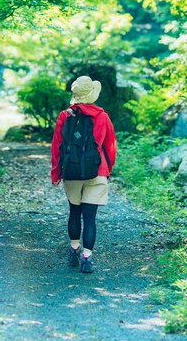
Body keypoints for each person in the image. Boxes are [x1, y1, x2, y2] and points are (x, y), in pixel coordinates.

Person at [51, 76, 117, 273]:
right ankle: (87, 257)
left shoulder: (65, 116)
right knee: (90, 218)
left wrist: (56, 173)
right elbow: (110, 146)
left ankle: (73, 249)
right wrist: (108, 169)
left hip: (71, 171)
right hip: (97, 171)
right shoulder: (102, 116)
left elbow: (57, 147)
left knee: (74, 212)